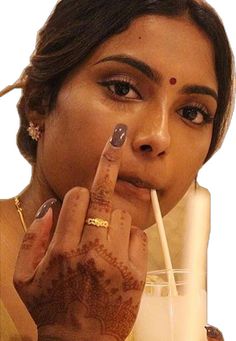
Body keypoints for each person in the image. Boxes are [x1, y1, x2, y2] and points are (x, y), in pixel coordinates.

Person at [0, 0, 234, 340]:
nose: (158, 136)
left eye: (192, 113)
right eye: (122, 88)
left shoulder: (159, 291)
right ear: (40, 101)